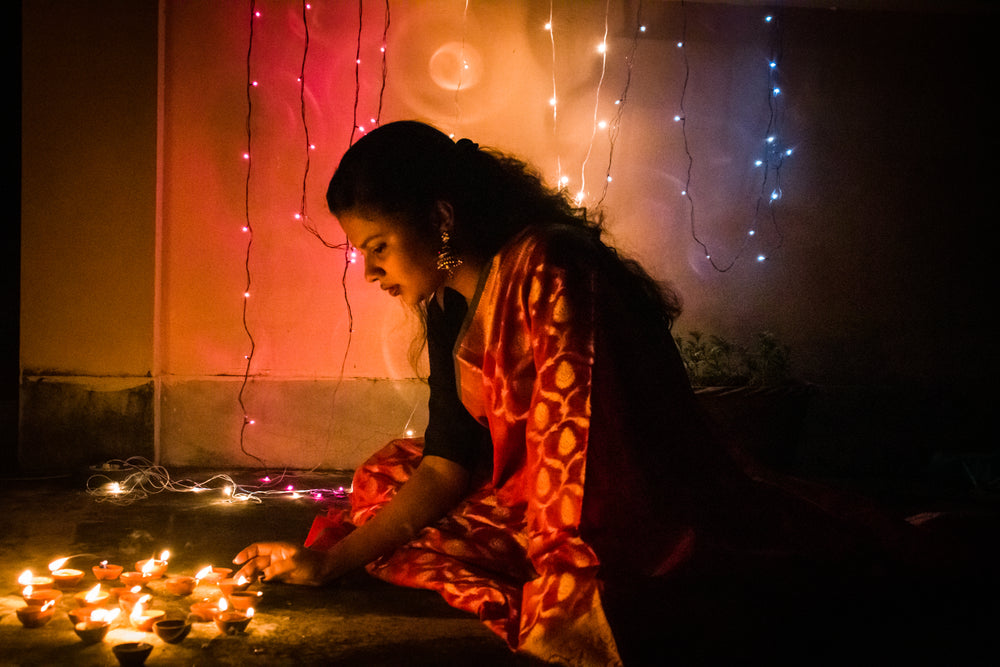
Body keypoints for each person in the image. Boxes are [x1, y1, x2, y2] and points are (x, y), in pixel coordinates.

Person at [234, 121, 964, 665]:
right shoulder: (447, 301)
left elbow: (584, 449)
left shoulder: (550, 268)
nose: (369, 272)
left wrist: (564, 567)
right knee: (384, 477)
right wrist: (333, 561)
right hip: (535, 493)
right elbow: (450, 456)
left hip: (621, 498)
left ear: (442, 220)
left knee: (598, 595)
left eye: (378, 247)